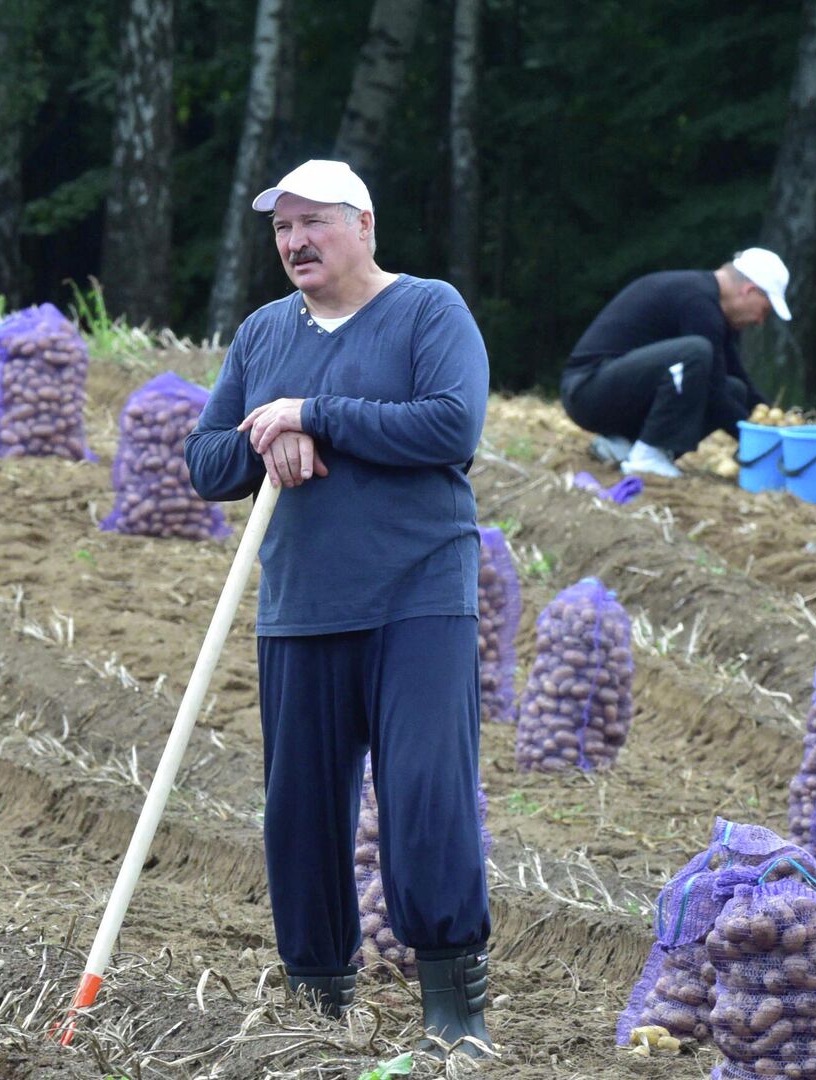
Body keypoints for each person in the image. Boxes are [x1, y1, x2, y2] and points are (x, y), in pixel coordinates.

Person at [184, 160, 493, 1059]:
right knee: (301, 810)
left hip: (418, 593)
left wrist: (315, 413)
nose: (294, 242)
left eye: (313, 222)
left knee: (423, 792)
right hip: (302, 604)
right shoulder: (262, 333)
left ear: (363, 222)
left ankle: (456, 1013)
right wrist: (269, 433)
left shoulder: (430, 311)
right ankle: (318, 1005)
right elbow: (207, 463)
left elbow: (450, 426)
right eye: (282, 228)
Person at [560, 248, 791, 478]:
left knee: (736, 391)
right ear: (749, 290)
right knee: (695, 352)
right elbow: (713, 390)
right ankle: (648, 456)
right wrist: (755, 439)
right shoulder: (697, 301)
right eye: (765, 310)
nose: (760, 321)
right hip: (587, 391)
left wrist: (775, 423)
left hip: (617, 393)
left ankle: (626, 447)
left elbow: (737, 379)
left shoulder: (712, 307)